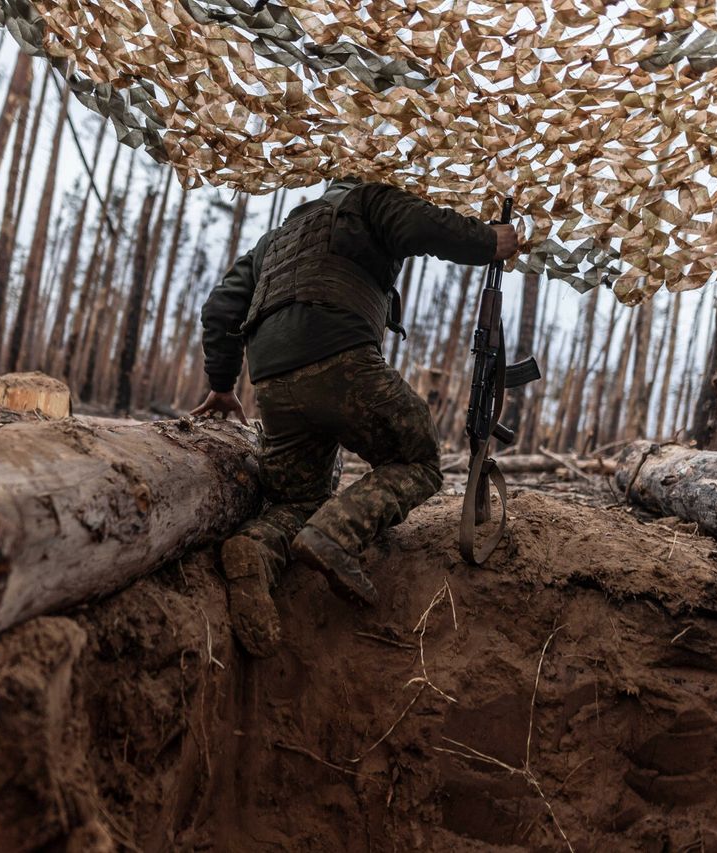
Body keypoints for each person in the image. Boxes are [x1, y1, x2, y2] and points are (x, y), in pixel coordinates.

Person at [193, 178, 521, 657]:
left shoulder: (275, 239)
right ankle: (334, 535)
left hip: (273, 381)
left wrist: (223, 384)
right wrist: (490, 241)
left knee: (299, 498)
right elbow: (425, 225)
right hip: (342, 357)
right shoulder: (369, 200)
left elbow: (221, 306)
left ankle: (256, 547)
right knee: (418, 459)